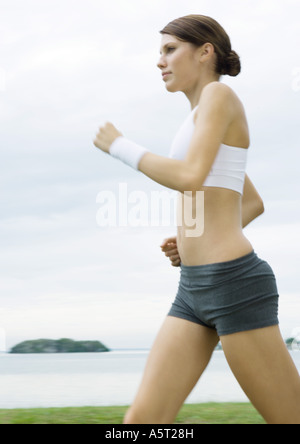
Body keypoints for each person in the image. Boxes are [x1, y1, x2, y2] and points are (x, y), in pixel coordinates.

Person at [93, 15, 300, 424]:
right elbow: (252, 202)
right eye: (160, 52)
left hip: (234, 284)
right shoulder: (197, 119)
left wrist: (121, 146)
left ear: (205, 52)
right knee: (142, 422)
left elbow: (190, 176)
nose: (160, 61)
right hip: (192, 289)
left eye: (170, 49)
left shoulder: (219, 96)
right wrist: (190, 239)